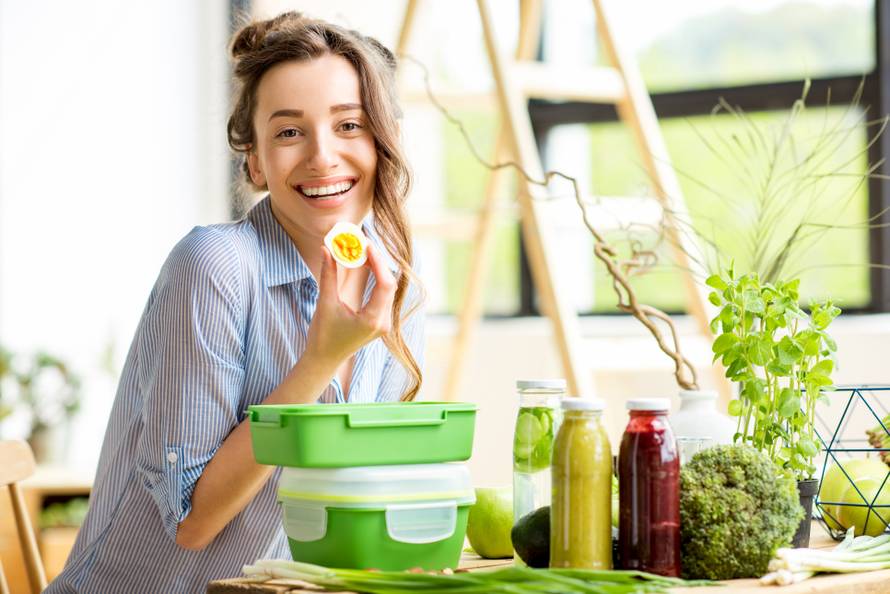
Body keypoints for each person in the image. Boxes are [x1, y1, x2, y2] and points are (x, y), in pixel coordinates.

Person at [45, 11, 424, 593]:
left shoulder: (395, 287)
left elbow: (358, 497)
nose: (323, 156)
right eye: (289, 132)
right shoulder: (214, 267)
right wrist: (320, 360)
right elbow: (193, 522)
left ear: (384, 139)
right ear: (254, 160)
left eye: (349, 125)